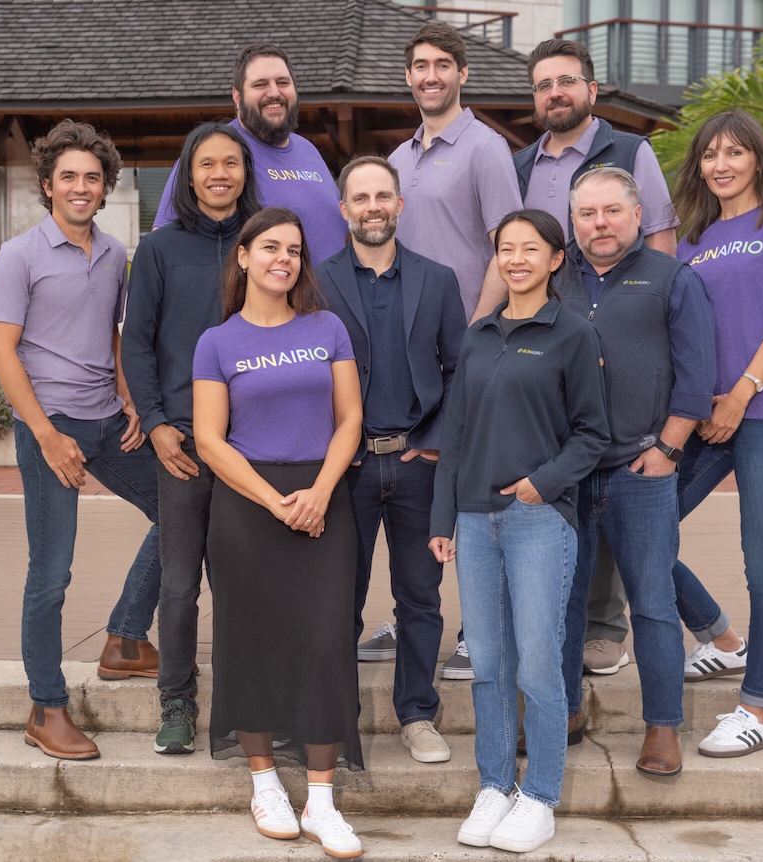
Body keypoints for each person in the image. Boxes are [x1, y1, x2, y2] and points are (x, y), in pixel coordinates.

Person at [429, 209, 609, 854]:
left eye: (530, 249)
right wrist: (442, 518)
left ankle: (540, 797)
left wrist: (543, 481)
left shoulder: (572, 335)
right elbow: (454, 438)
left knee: (537, 664)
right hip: (474, 523)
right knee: (488, 668)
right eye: (506, 249)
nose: (517, 259)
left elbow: (593, 433)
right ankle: (495, 786)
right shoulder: (478, 336)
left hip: (539, 520)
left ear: (556, 259)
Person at [193, 207, 364, 858]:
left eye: (293, 250)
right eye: (269, 247)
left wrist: (319, 493)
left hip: (323, 497)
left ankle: (322, 800)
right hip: (247, 506)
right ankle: (264, 781)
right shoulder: (217, 343)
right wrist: (274, 501)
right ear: (244, 256)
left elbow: (350, 419)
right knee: (250, 640)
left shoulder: (327, 328)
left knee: (325, 641)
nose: (283, 259)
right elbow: (210, 439)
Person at [0, 119, 162, 760]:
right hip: (48, 428)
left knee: (182, 507)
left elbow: (112, 333)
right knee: (51, 574)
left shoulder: (116, 253)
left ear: (106, 185)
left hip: (108, 421)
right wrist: (46, 434)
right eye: (69, 177)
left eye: (93, 177)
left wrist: (129, 394)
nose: (82, 187)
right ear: (47, 185)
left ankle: (123, 638)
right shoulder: (20, 255)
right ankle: (46, 706)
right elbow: (2, 354)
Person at [517, 37, 680, 676]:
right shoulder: (524, 161)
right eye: (543, 85)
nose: (555, 93)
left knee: (623, 487)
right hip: (560, 329)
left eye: (566, 81)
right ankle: (564, 629)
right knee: (574, 475)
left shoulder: (631, 151)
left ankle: (606, 625)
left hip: (626, 321)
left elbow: (661, 243)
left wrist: (651, 316)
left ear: (590, 88)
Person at [670, 110, 763, 757]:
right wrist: (697, 400)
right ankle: (722, 639)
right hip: (703, 417)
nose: (721, 163)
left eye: (734, 151)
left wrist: (741, 392)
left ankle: (759, 708)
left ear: (757, 158)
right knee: (634, 528)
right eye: (710, 154)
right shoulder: (691, 239)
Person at [558, 167, 717, 777]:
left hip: (641, 468)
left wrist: (669, 449)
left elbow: (696, 375)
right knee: (565, 600)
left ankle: (663, 726)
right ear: (573, 221)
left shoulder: (671, 278)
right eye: (587, 214)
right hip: (569, 472)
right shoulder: (554, 277)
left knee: (651, 600)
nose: (599, 224)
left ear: (636, 215)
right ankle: (566, 709)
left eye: (611, 212)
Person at [316, 156, 467, 764]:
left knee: (420, 598)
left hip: (416, 464)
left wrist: (434, 440)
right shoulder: (318, 281)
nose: (373, 206)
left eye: (384, 195)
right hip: (345, 468)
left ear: (399, 205)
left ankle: (417, 715)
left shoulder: (437, 279)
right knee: (337, 600)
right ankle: (336, 717)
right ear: (344, 209)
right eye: (361, 197)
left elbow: (460, 369)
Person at [385, 20, 523, 680]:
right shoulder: (398, 160)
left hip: (471, 342)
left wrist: (475, 334)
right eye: (420, 65)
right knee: (423, 484)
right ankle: (414, 609)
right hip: (412, 355)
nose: (431, 75)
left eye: (443, 64)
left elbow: (508, 248)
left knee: (475, 485)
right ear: (408, 77)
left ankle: (478, 628)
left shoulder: (486, 149)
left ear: (463, 74)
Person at [122, 122, 262, 755]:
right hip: (180, 446)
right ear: (188, 172)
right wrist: (154, 423)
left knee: (241, 586)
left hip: (252, 446)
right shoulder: (158, 250)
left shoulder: (264, 243)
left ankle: (236, 709)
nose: (219, 174)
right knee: (179, 585)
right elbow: (137, 343)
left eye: (231, 163)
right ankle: (176, 702)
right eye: (206, 163)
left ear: (244, 172)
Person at [153, 43, 347, 264]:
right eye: (260, 84)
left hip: (334, 297)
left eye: (283, 82)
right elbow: (163, 246)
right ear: (237, 96)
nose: (274, 93)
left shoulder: (308, 150)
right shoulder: (214, 152)